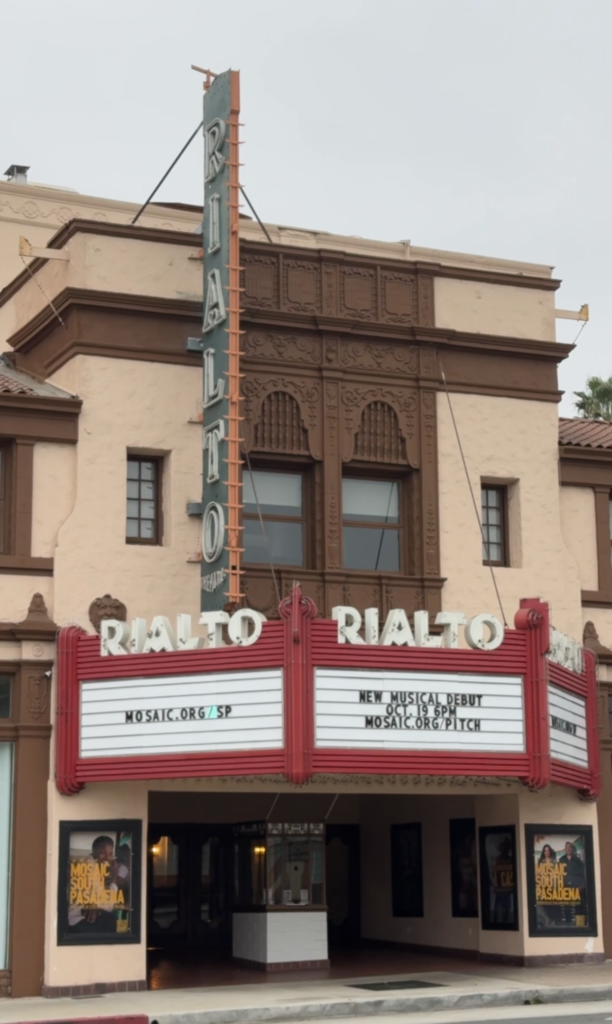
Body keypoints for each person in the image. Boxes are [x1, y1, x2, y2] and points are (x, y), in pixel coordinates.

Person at [68, 834, 130, 933]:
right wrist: (114, 876)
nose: (107, 857)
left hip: (86, 918)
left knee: (121, 922)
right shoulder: (89, 867)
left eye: (110, 854)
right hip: (79, 920)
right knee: (120, 925)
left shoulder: (94, 865)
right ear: (94, 851)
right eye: (102, 852)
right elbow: (107, 905)